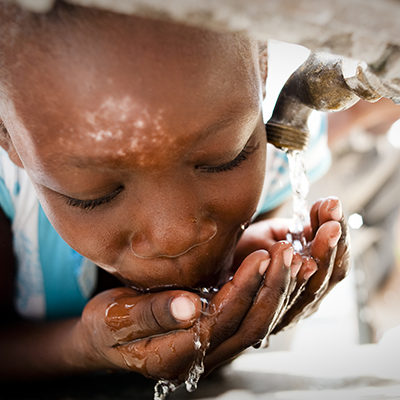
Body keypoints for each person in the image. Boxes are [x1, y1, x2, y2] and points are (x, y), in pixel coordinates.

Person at [0, 1, 349, 386]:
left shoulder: (281, 144)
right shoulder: (7, 189)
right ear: (5, 133)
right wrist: (80, 347)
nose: (176, 235)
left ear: (262, 69)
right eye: (94, 196)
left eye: (223, 161)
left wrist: (243, 270)